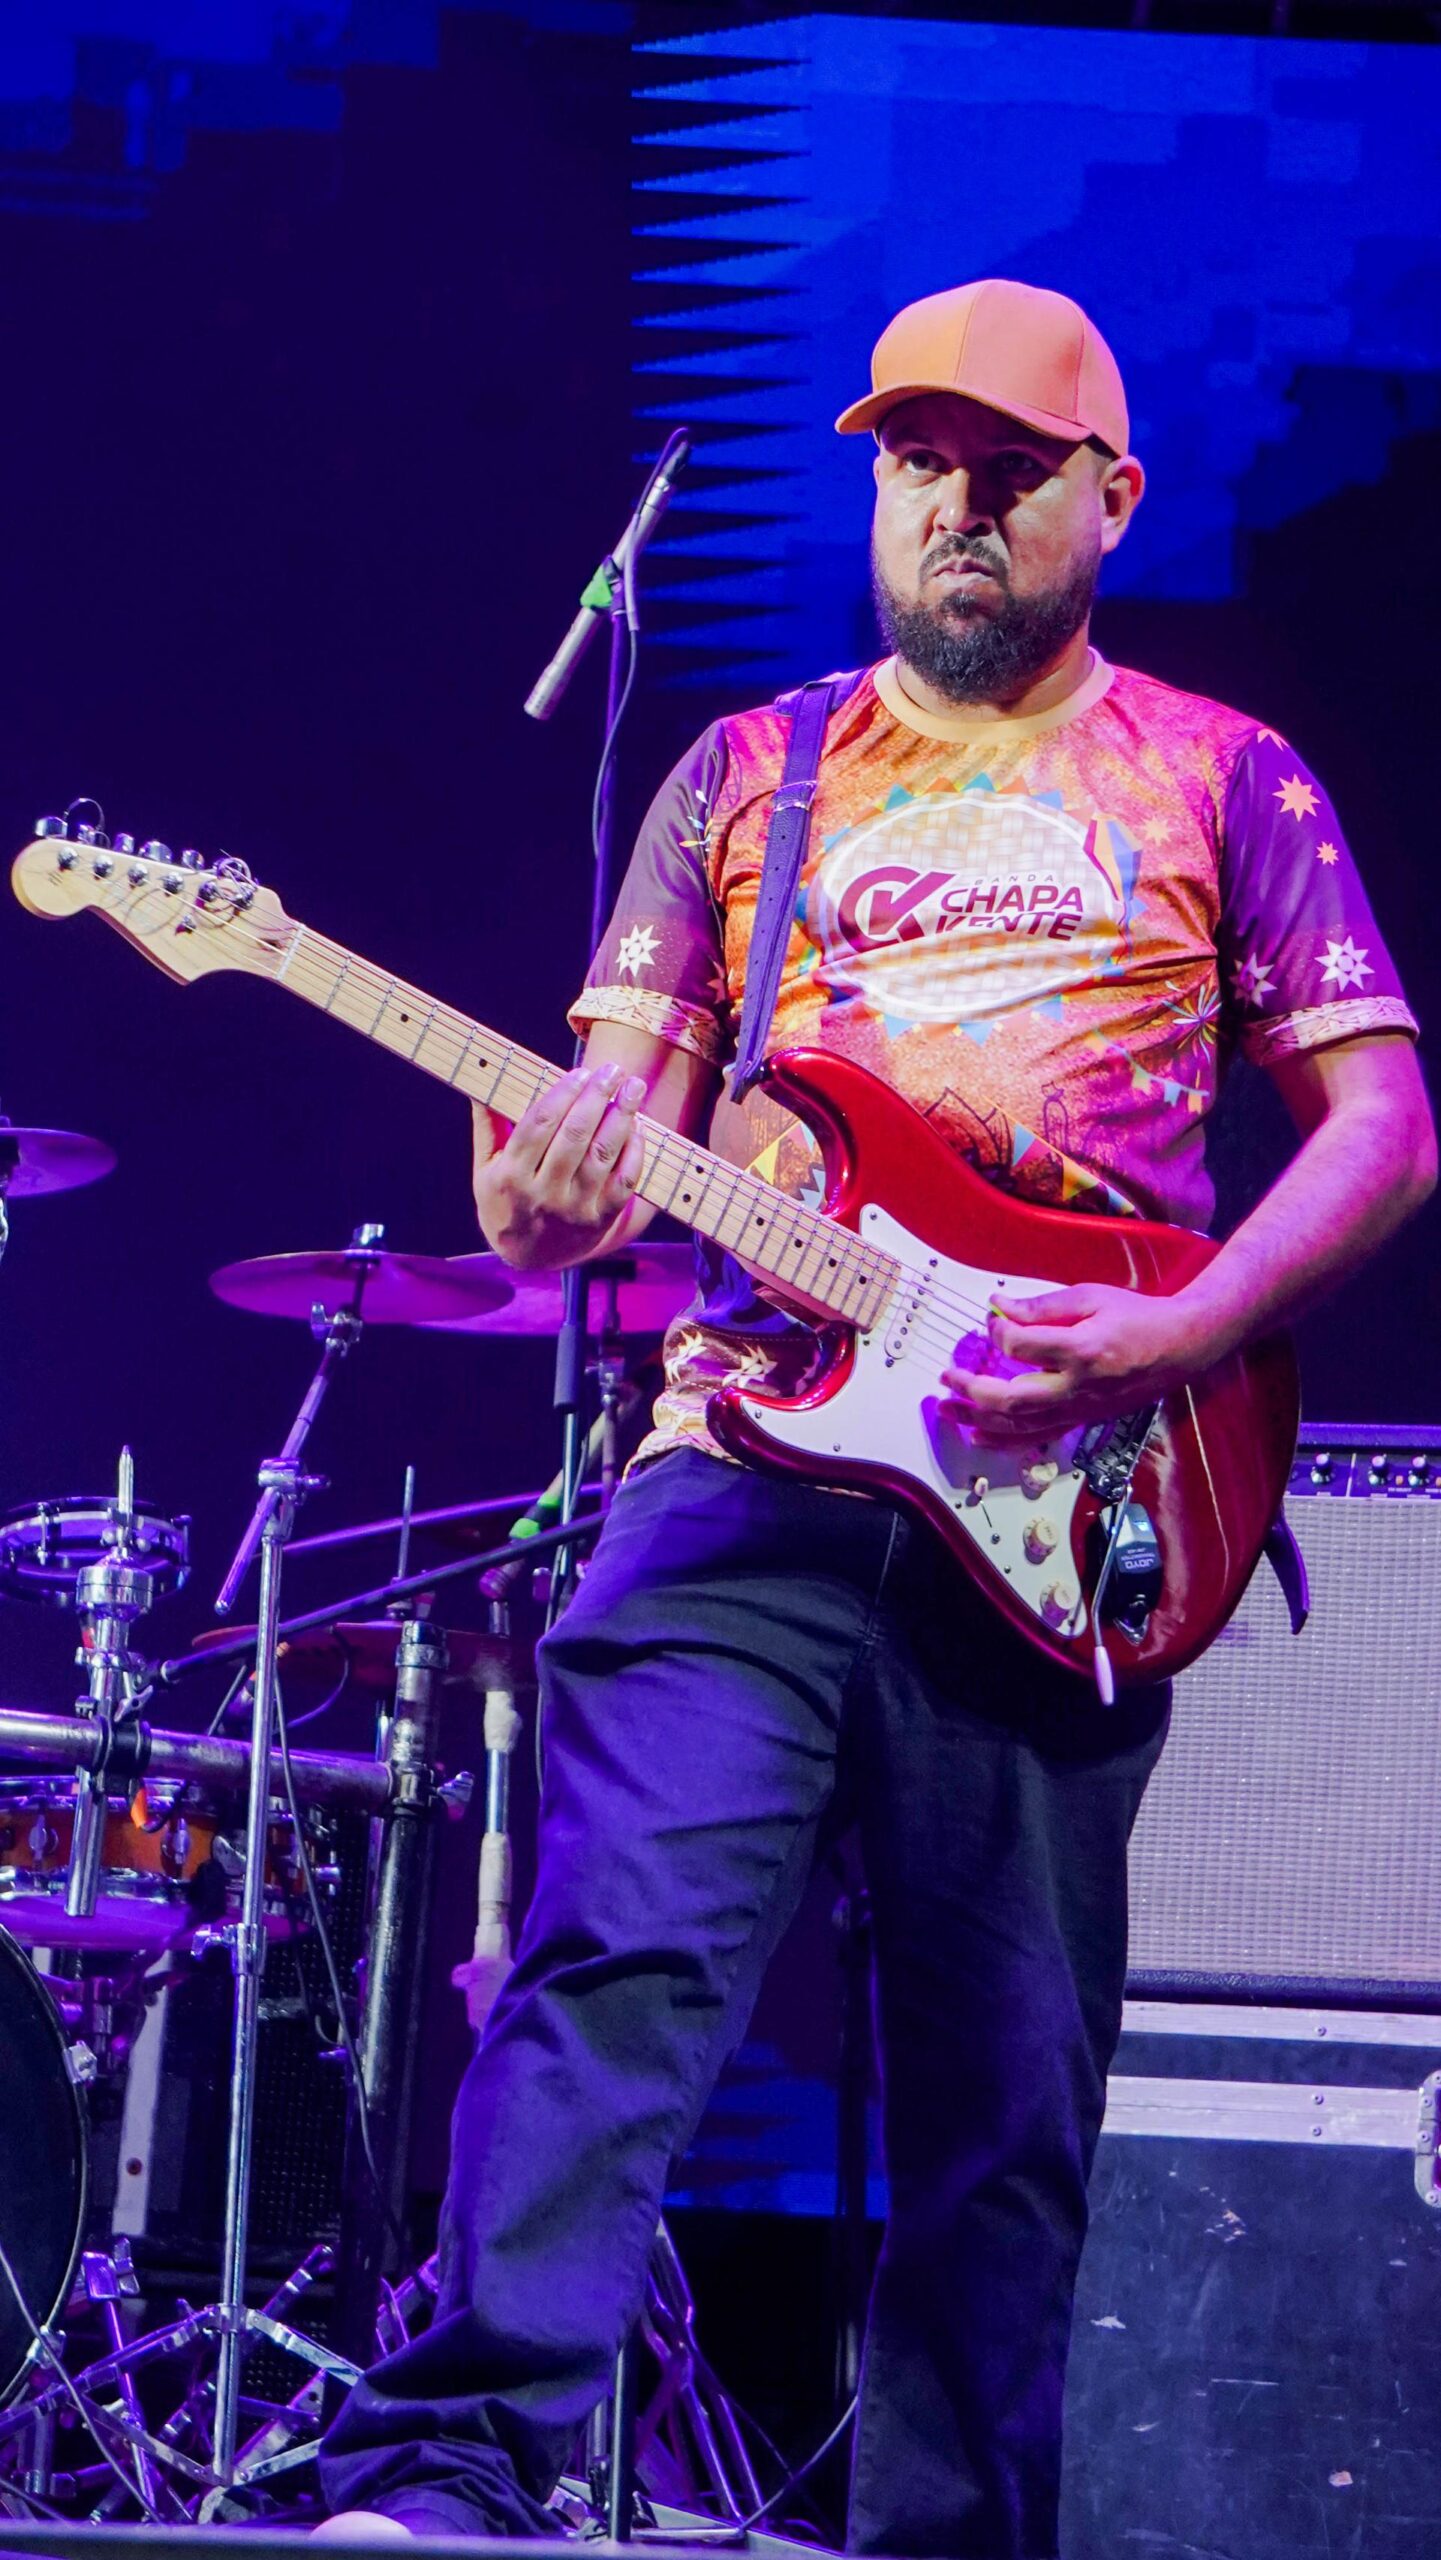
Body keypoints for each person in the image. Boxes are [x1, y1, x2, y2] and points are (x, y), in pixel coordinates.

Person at [318, 278, 1434, 2559]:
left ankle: (953, 2538)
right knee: (612, 1955)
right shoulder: (753, 769)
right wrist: (541, 1187)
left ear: (1110, 499)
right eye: (918, 461)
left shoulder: (1223, 775)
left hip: (1066, 1477)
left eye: (1009, 468)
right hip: (748, 1447)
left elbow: (1383, 1127)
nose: (956, 504)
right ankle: (448, 2471)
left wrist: (1184, 1332)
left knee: (999, 2099)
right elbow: (583, 1150)